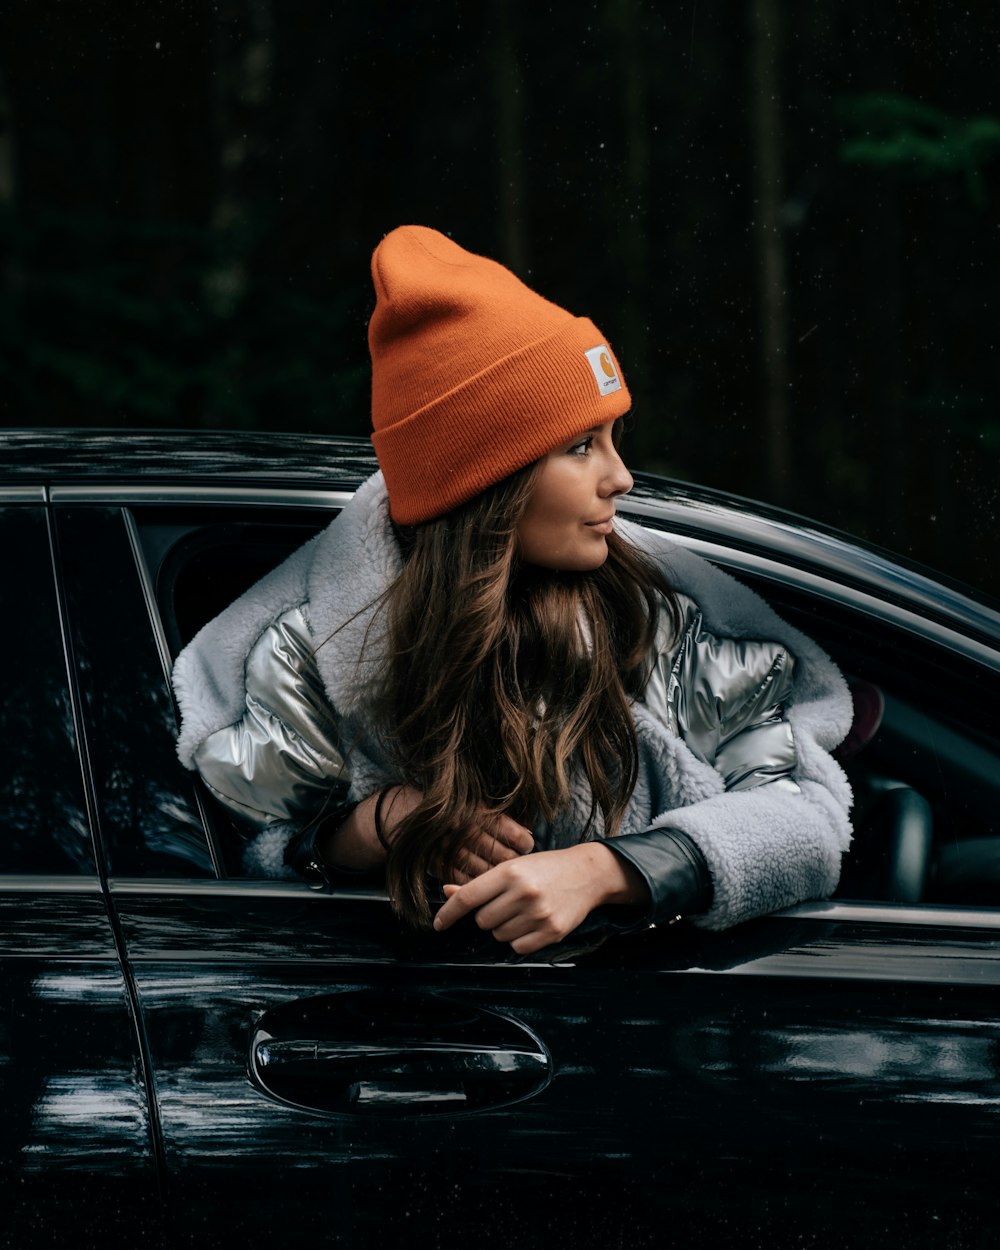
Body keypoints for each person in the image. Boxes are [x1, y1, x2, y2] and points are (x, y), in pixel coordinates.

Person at [172, 225, 853, 956]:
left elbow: (807, 821)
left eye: (613, 438)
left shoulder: (652, 615)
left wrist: (608, 871)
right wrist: (378, 829)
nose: (621, 478)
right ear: (487, 483)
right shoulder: (313, 649)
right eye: (580, 446)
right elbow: (240, 873)